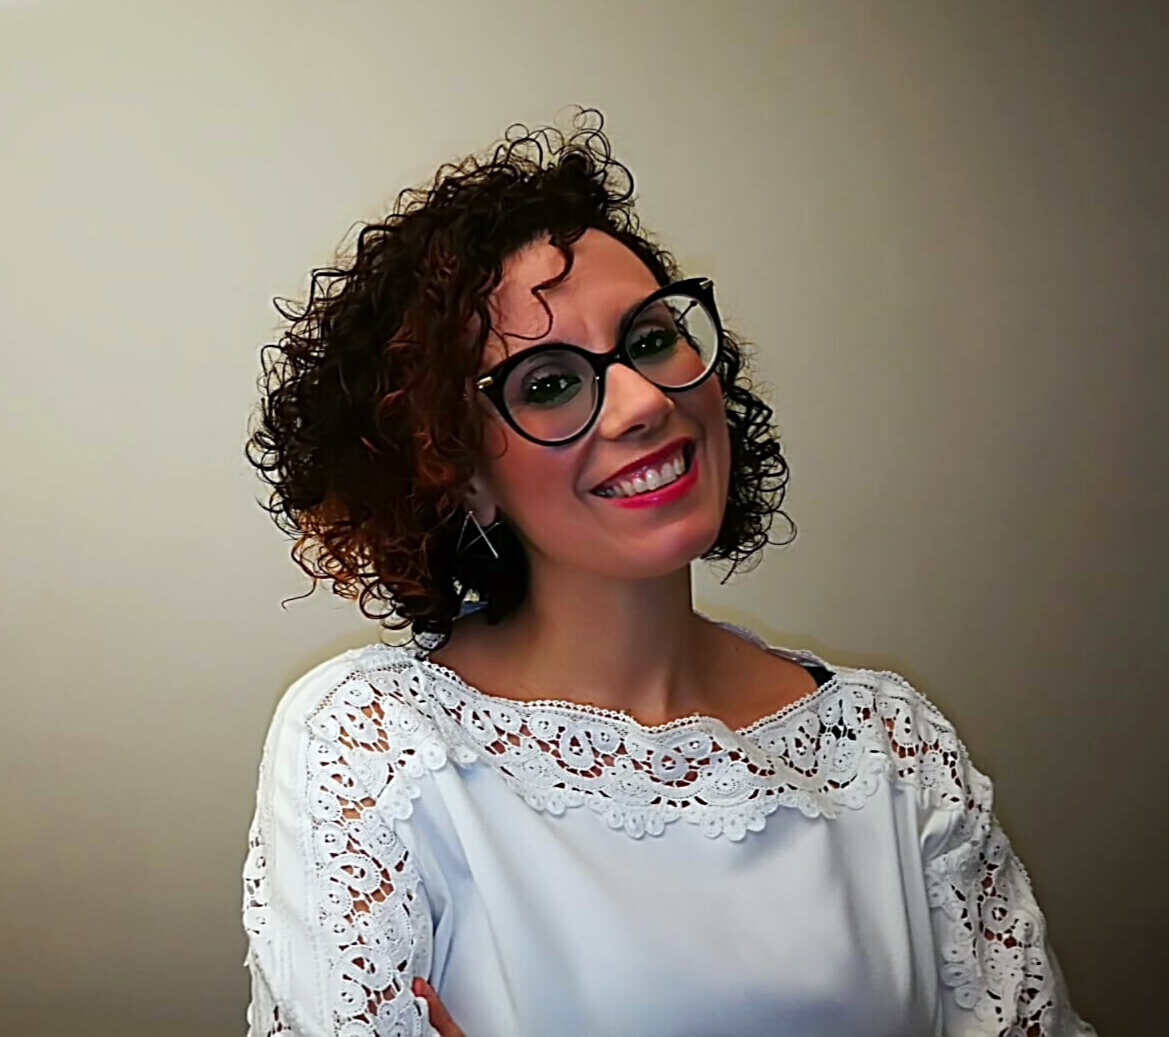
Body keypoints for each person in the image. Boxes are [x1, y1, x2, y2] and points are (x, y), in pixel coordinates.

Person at [242, 112, 1095, 1037]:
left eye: (650, 339)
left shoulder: (897, 748)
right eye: (548, 383)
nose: (644, 401)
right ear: (459, 471)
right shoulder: (378, 747)